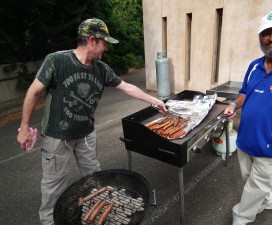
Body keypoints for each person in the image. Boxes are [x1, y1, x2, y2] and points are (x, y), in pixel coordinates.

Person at [16, 18, 167, 225]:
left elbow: (127, 87)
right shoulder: (57, 61)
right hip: (57, 137)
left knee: (95, 177)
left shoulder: (101, 69)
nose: (106, 48)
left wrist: (155, 101)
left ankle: (95, 214)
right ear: (92, 40)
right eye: (105, 43)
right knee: (53, 187)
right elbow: (33, 92)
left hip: (86, 135)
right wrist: (24, 128)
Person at [224, 10, 272, 225]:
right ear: (260, 37)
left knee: (254, 187)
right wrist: (232, 104)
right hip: (245, 139)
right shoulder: (254, 66)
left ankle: (241, 218)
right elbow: (244, 93)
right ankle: (268, 201)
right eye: (266, 33)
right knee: (250, 180)